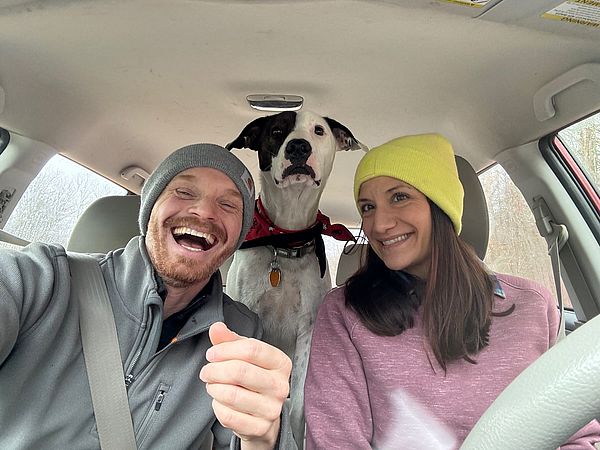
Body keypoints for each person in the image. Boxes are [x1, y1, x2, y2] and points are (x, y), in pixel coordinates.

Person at [303, 134, 600, 449]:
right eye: (367, 207)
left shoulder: (532, 305)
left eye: (399, 197)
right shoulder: (343, 313)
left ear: (440, 206)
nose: (379, 224)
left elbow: (578, 435)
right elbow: (335, 443)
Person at [0, 143, 296, 450]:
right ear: (151, 206)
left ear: (238, 236)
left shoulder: (241, 334)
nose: (204, 211)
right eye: (184, 192)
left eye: (228, 205)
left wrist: (265, 437)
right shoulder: (43, 280)